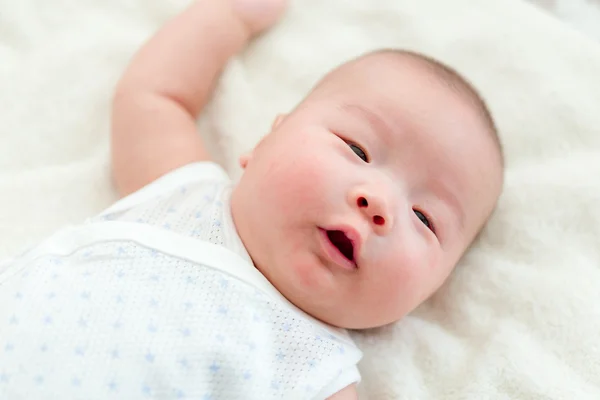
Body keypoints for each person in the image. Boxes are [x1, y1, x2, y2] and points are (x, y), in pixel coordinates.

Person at [0, 0, 504, 398]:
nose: (381, 205)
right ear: (266, 142)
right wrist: (230, 16)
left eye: (425, 218)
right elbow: (155, 95)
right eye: (357, 148)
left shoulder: (313, 374)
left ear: (428, 293)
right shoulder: (184, 191)